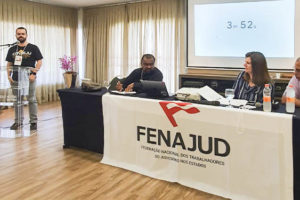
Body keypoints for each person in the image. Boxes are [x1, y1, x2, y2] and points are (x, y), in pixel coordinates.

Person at [6, 27, 43, 130]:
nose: (20, 35)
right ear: (16, 35)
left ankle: (33, 122)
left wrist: (34, 73)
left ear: (26, 35)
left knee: (31, 99)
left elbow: (39, 61)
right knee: (17, 100)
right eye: (18, 34)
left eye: (23, 33)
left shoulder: (33, 48)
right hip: (16, 78)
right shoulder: (12, 49)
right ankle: (18, 122)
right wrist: (8, 76)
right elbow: (9, 63)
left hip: (29, 77)